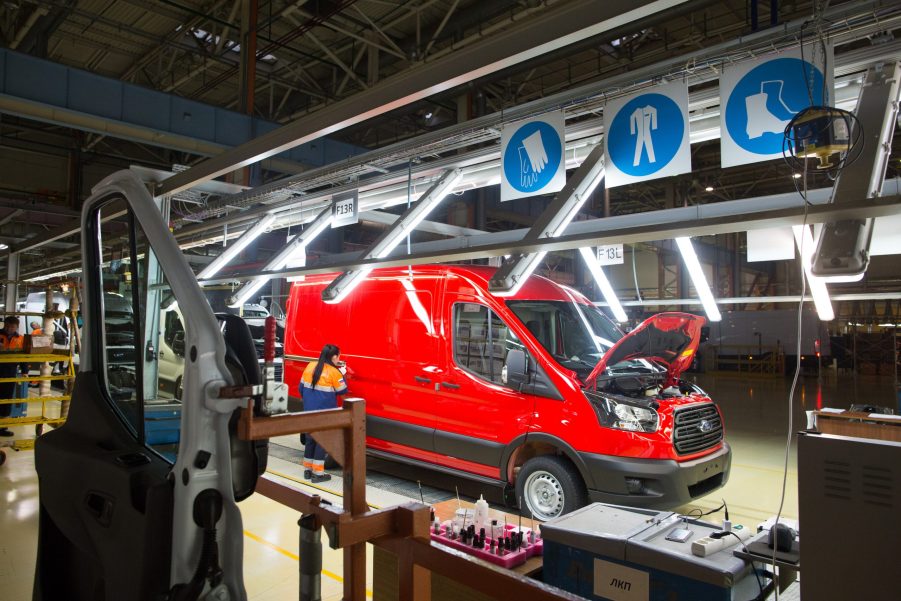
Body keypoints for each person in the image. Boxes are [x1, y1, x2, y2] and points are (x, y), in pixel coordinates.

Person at [299, 344, 347, 483]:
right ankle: (318, 473)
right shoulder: (334, 373)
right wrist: (343, 374)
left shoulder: (310, 366)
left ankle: (307, 470)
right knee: (322, 442)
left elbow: (300, 388)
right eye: (339, 356)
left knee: (310, 440)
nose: (339, 359)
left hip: (308, 411)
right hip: (325, 414)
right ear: (333, 357)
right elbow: (343, 392)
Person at [0, 316, 24, 437]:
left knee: (7, 399)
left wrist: (25, 370)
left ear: (16, 327)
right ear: (4, 325)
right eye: (7, 326)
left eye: (12, 327)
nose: (9, 329)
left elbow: (23, 356)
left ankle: (2, 428)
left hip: (10, 371)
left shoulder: (20, 339)